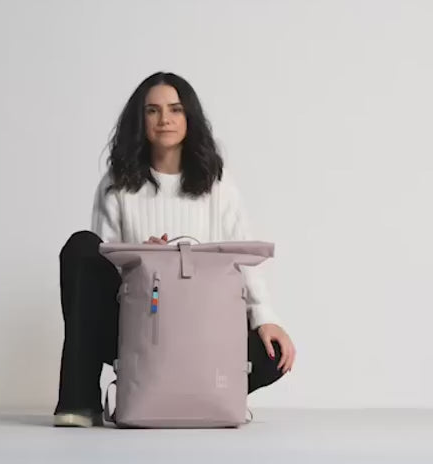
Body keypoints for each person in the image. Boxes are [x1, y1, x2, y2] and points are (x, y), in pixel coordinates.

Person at [53, 71, 296, 427]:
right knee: (81, 246)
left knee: (273, 354)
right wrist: (140, 256)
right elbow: (100, 270)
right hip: (138, 326)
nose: (164, 119)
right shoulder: (116, 184)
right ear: (140, 121)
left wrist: (266, 318)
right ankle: (80, 400)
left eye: (175, 109)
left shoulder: (218, 184)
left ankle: (203, 396)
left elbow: (244, 261)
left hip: (200, 325)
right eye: (152, 110)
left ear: (189, 117)